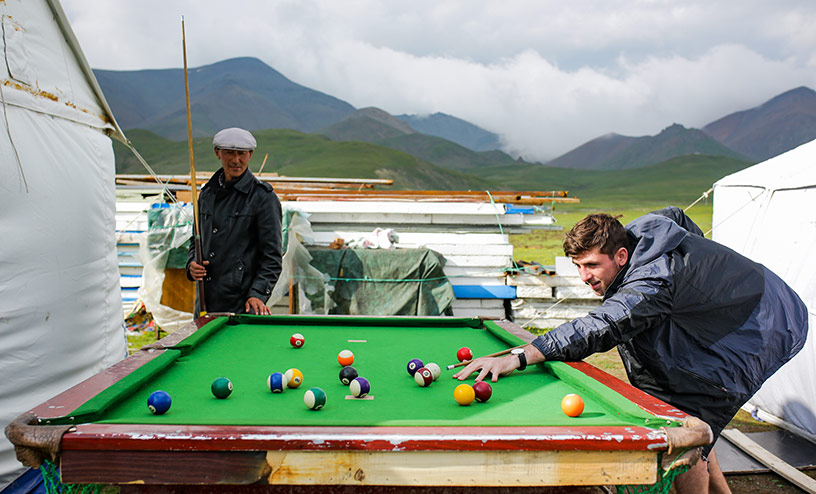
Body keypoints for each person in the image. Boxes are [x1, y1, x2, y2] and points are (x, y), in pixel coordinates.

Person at [454, 207, 808, 494]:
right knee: (685, 410)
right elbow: (677, 217)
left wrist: (521, 355)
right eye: (577, 266)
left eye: (592, 265)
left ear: (621, 256)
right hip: (748, 306)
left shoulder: (652, 281)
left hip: (765, 325)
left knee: (688, 418)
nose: (584, 277)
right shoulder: (641, 231)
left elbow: (604, 325)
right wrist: (696, 278)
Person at [186, 127, 282, 316]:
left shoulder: (263, 198)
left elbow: (272, 257)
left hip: (243, 307)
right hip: (205, 305)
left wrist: (258, 294)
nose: (236, 160)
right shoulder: (206, 194)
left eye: (242, 153)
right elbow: (195, 240)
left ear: (250, 155)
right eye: (229, 152)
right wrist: (191, 265)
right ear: (217, 153)